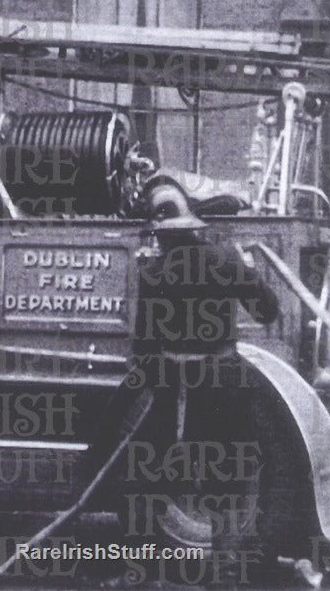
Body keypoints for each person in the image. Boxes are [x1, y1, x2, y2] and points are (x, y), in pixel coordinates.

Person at [90, 175, 279, 587]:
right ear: (195, 224)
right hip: (225, 384)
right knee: (228, 481)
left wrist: (139, 396)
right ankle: (226, 576)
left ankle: (139, 575)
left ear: (161, 232)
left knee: (143, 479)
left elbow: (143, 348)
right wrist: (249, 272)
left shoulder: (154, 272)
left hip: (172, 383)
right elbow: (268, 311)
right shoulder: (227, 259)